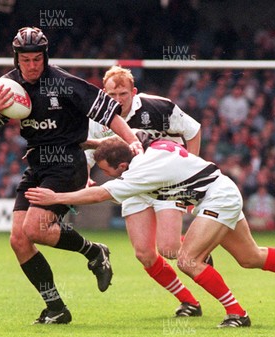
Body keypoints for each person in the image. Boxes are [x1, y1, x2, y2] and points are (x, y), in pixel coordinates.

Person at [25, 134, 275, 328]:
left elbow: (101, 194)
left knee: (188, 259)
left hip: (216, 198)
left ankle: (238, 314)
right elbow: (122, 148)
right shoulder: (149, 150)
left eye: (106, 170)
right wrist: (86, 143)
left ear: (120, 167)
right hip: (221, 191)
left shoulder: (139, 173)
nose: (106, 176)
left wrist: (57, 197)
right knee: (250, 257)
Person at [0, 27, 143, 324]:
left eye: (37, 59)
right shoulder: (8, 88)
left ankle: (93, 251)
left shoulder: (64, 83)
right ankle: (56, 308)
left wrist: (133, 142)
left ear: (45, 57)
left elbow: (109, 114)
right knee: (18, 240)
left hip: (69, 163)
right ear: (16, 59)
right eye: (25, 60)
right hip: (37, 165)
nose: (31, 66)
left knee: (36, 228)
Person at [85, 66, 205, 317]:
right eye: (112, 95)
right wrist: (85, 177)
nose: (117, 100)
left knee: (169, 249)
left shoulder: (159, 107)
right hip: (133, 184)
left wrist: (189, 169)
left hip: (167, 182)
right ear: (103, 94)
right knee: (144, 253)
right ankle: (189, 302)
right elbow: (89, 153)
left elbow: (193, 131)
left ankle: (199, 247)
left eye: (123, 94)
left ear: (134, 92)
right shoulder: (97, 118)